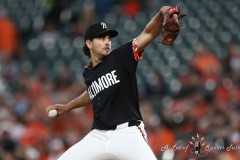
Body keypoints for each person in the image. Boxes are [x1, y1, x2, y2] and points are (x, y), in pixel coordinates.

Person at [46, 6, 177, 160]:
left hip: (127, 134)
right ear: (89, 43)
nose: (107, 42)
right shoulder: (88, 72)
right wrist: (67, 107)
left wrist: (161, 13)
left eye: (108, 38)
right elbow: (93, 92)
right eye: (102, 38)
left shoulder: (121, 57)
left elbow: (148, 33)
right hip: (98, 135)